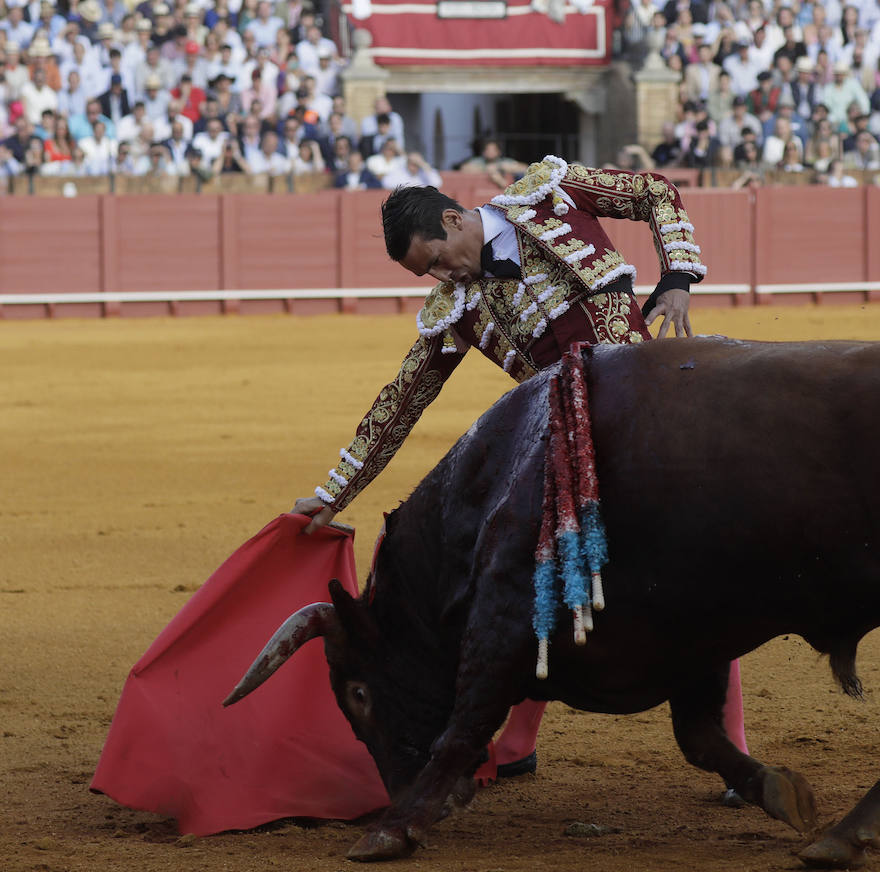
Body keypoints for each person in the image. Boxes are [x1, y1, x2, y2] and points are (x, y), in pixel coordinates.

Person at [289, 156, 748, 789]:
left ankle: (731, 746)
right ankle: (519, 741)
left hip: (652, 421)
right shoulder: (458, 307)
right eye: (429, 274)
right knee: (530, 574)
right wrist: (333, 493)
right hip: (569, 447)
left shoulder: (550, 197)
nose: (443, 276)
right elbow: (402, 400)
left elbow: (654, 192)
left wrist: (678, 277)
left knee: (693, 573)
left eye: (439, 258)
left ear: (455, 218)